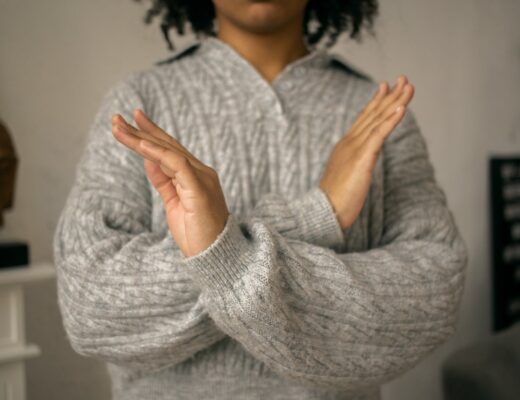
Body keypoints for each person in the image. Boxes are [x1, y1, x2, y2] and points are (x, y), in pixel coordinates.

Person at [53, 1, 469, 399]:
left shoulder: (379, 115)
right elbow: (89, 304)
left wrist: (222, 254)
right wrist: (314, 215)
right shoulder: (140, 104)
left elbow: (434, 290)